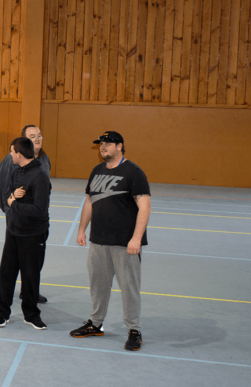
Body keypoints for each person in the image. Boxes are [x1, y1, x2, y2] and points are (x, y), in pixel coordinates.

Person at [71, 131, 151, 351]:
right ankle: (95, 323)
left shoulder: (134, 173)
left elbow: (145, 206)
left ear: (120, 146)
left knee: (129, 288)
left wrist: (136, 238)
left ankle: (133, 329)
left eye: (107, 143)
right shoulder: (96, 171)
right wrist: (81, 229)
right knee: (98, 285)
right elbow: (89, 201)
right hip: (99, 242)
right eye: (100, 144)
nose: (102, 147)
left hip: (125, 244)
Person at [0, 137, 51, 330]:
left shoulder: (40, 176)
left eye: (11, 152)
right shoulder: (16, 172)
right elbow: (7, 195)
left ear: (19, 154)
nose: (10, 155)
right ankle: (1, 313)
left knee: (30, 275)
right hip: (13, 232)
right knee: (7, 274)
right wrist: (12, 199)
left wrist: (14, 204)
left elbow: (39, 210)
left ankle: (31, 314)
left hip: (33, 235)